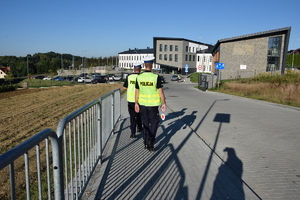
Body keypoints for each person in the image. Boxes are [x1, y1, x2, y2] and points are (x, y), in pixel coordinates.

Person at [135, 56, 166, 151]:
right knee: (154, 123)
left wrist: (136, 103)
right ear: (152, 65)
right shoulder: (156, 77)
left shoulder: (139, 77)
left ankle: (145, 142)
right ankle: (151, 141)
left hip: (142, 104)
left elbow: (137, 91)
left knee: (145, 123)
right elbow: (160, 91)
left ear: (144, 65)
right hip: (153, 105)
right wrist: (163, 102)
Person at [123, 63, 143, 138]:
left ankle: (132, 133)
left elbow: (124, 87)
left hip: (130, 100)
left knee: (132, 116)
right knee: (139, 115)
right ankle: (140, 128)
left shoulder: (129, 77)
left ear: (134, 69)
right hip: (139, 100)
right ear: (140, 69)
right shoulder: (141, 77)